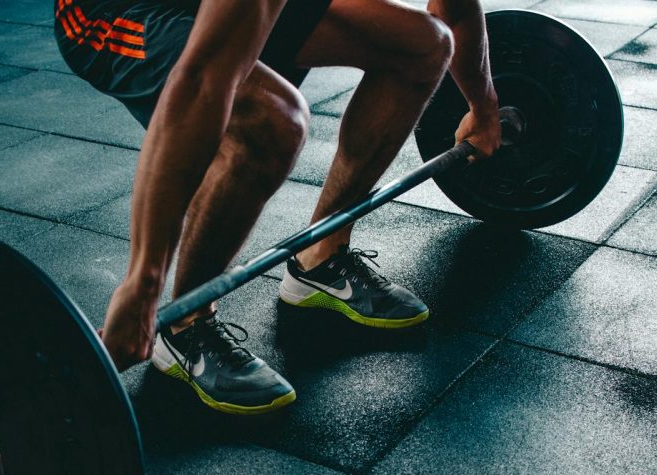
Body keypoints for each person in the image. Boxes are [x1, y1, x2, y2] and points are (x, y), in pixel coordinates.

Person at [55, 0, 501, 415]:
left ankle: (320, 258)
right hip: (117, 10)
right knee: (272, 120)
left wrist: (483, 105)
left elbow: (454, 9)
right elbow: (203, 82)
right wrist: (142, 283)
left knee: (423, 45)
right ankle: (186, 324)